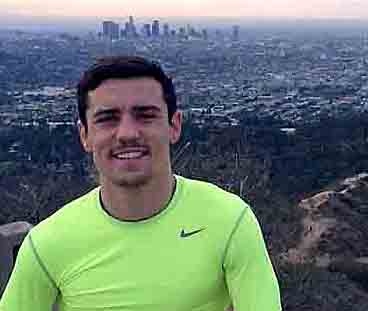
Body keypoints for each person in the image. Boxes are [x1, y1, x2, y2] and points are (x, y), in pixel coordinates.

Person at [0, 56, 282, 311]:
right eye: (107, 119)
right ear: (84, 135)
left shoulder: (229, 220)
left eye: (145, 115)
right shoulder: (47, 244)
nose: (127, 133)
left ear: (174, 126)